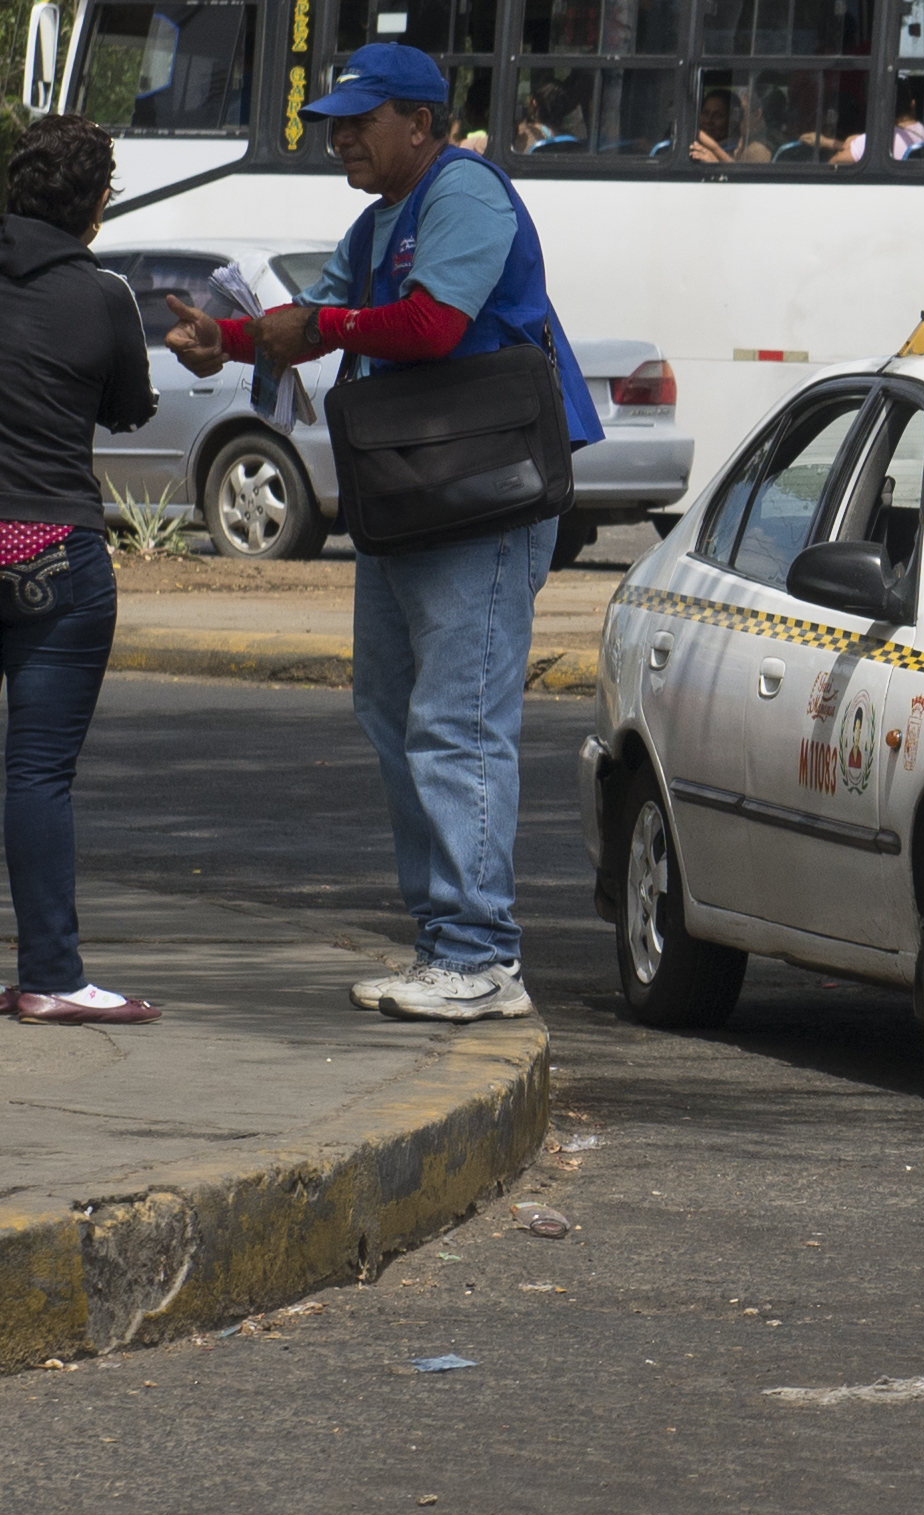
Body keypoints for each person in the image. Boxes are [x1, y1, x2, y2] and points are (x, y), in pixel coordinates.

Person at [162, 43, 604, 1022]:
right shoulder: (380, 219)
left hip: (483, 496)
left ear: (422, 121)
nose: (339, 138)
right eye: (333, 123)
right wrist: (229, 338)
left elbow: (432, 326)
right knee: (391, 707)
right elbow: (318, 321)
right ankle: (444, 942)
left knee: (458, 719)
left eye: (360, 121)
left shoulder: (466, 194)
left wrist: (316, 327)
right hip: (415, 496)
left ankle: (482, 955)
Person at [0, 115, 162, 1025]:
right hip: (50, 551)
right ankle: (51, 977)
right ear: (94, 204)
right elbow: (130, 411)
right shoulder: (103, 297)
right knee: (37, 774)